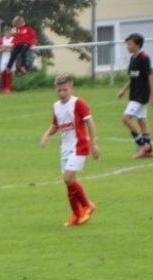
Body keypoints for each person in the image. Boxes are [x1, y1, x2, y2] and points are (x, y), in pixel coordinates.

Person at [39, 75, 100, 227]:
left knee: (68, 178)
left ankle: (86, 205)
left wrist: (93, 144)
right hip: (65, 148)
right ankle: (77, 214)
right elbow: (56, 125)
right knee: (69, 182)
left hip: (79, 146)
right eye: (59, 90)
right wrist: (47, 135)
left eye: (65, 90)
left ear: (71, 88)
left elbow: (90, 122)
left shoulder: (78, 103)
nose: (62, 93)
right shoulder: (56, 106)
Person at [117, 33, 153, 159]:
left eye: (130, 44)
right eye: (127, 44)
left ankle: (143, 145)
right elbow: (133, 77)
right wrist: (123, 90)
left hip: (141, 95)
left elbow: (150, 76)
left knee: (126, 118)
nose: (127, 46)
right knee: (142, 120)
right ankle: (150, 151)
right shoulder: (133, 58)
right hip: (134, 94)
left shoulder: (144, 58)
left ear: (137, 45)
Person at [0, 27, 15, 93]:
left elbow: (13, 46)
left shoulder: (13, 38)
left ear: (11, 33)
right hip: (4, 57)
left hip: (11, 56)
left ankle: (8, 88)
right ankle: (4, 87)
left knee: (9, 72)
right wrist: (2, 47)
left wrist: (5, 47)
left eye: (9, 32)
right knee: (2, 72)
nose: (8, 33)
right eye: (6, 32)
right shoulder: (2, 39)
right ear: (4, 33)